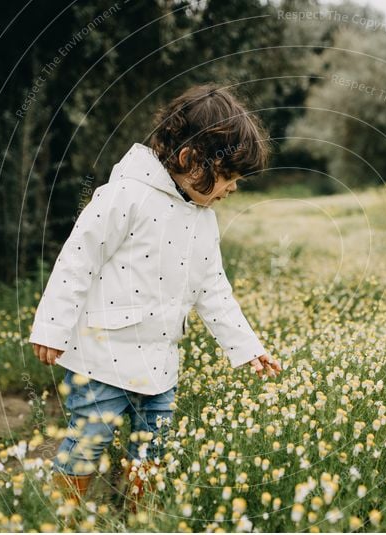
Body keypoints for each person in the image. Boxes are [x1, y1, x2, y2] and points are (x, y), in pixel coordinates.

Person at [28, 84, 282, 511]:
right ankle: (61, 523)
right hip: (101, 355)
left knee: (151, 450)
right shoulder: (124, 196)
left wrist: (247, 347)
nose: (231, 190)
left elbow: (213, 288)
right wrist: (52, 327)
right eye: (227, 178)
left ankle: (141, 520)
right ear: (189, 160)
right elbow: (77, 260)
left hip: (161, 362)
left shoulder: (204, 220)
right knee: (89, 441)